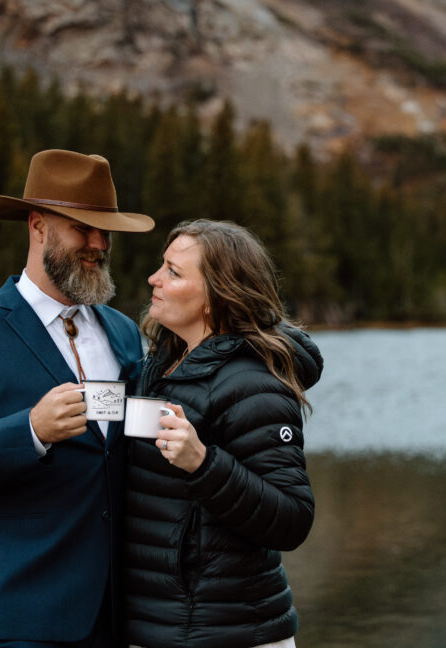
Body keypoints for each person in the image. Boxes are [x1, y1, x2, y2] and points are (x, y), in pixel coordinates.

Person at [0, 149, 154, 647]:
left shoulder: (124, 332)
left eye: (104, 230)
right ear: (38, 226)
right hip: (17, 612)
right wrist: (31, 432)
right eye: (82, 229)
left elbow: (124, 444)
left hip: (116, 612)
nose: (97, 245)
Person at [123, 219, 323, 648]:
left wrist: (204, 463)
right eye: (162, 266)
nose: (153, 278)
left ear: (214, 298)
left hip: (230, 635)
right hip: (158, 626)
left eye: (174, 273)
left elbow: (292, 518)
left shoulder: (254, 385)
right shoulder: (160, 366)